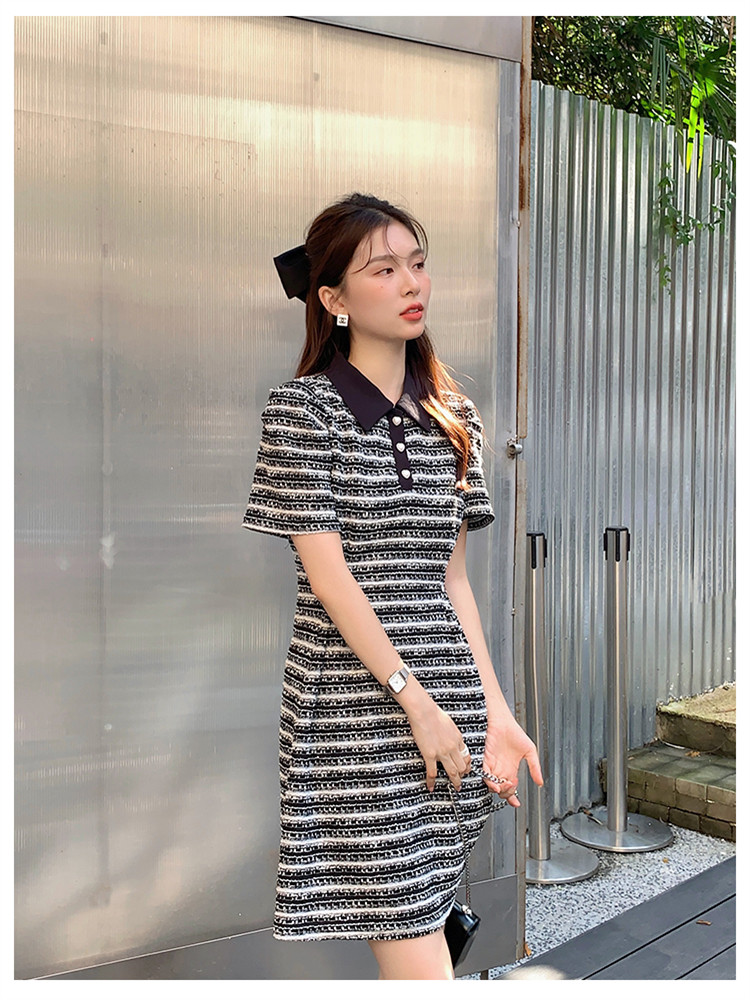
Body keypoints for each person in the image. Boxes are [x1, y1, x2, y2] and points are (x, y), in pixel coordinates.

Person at [243, 193, 543, 980]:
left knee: (429, 921)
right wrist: (417, 704)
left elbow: (452, 583)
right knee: (414, 942)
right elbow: (331, 579)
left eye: (418, 263)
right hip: (357, 712)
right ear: (333, 298)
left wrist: (496, 711)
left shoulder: (453, 415)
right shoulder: (303, 412)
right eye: (383, 270)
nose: (412, 283)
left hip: (446, 703)